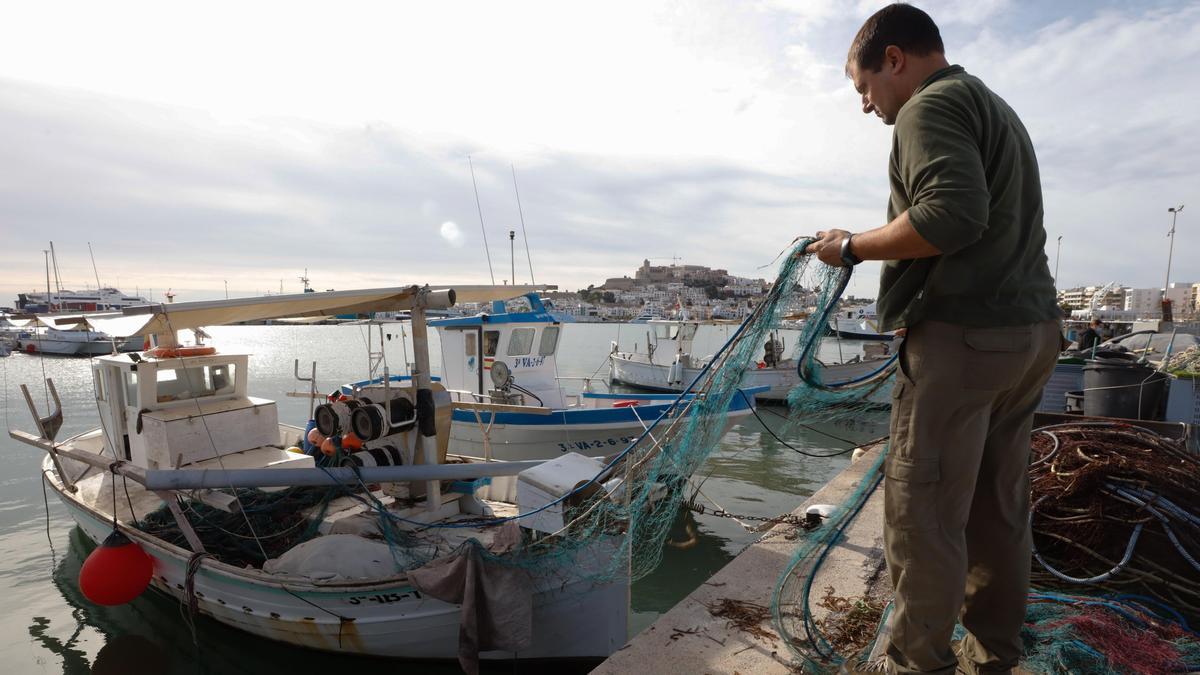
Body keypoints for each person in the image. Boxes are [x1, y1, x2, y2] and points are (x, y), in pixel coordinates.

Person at [805, 5, 1063, 674]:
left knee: (922, 516)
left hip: (965, 340)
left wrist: (852, 246)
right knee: (996, 510)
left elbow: (951, 213)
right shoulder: (994, 105)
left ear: (894, 59)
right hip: (1029, 336)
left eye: (862, 87)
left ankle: (920, 664)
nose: (865, 105)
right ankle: (993, 658)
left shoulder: (928, 107)